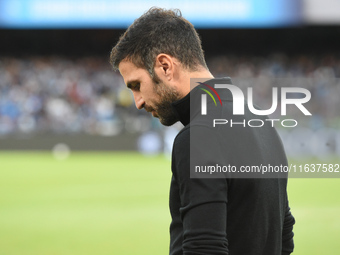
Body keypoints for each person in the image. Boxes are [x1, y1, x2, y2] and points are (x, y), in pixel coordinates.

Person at [110, 7, 295, 255]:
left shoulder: (199, 136)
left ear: (165, 66)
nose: (138, 102)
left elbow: (204, 249)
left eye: (136, 85)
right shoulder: (260, 120)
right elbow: (284, 238)